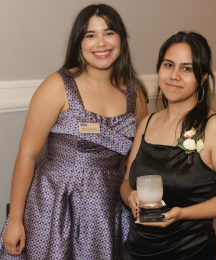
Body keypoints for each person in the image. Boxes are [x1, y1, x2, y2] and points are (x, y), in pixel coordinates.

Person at [0, 4, 148, 259]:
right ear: (79, 43)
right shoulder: (57, 86)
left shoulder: (136, 95)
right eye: (90, 35)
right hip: (55, 207)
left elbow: (138, 160)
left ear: (121, 39)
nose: (101, 43)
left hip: (109, 211)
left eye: (109, 32)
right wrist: (15, 220)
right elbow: (26, 155)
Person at [120, 31, 216, 259]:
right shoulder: (147, 123)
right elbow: (125, 183)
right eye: (168, 65)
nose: (174, 75)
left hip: (188, 250)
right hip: (136, 249)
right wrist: (130, 195)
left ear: (202, 77)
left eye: (187, 68)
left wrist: (182, 214)